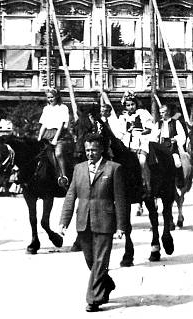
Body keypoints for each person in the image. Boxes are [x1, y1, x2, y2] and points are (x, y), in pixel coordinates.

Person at [59, 133, 126, 313]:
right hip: (83, 221)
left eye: (94, 150)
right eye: (87, 150)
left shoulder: (114, 168)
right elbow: (71, 195)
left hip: (105, 221)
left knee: (99, 260)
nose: (90, 153)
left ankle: (93, 299)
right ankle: (107, 283)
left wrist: (121, 226)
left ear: (101, 150)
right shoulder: (78, 169)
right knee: (91, 261)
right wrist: (64, 221)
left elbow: (120, 199)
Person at [37, 87, 72, 188]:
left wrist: (56, 138)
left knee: (58, 153)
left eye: (52, 97)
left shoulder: (63, 107)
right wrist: (39, 136)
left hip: (59, 134)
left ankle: (63, 176)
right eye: (48, 97)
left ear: (57, 97)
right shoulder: (46, 109)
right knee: (41, 154)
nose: (50, 99)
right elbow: (43, 124)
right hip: (47, 134)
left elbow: (62, 125)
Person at [148, 103, 187, 190]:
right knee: (154, 164)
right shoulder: (158, 124)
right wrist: (156, 136)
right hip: (161, 146)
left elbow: (182, 135)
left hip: (172, 146)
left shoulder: (175, 122)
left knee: (177, 163)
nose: (161, 114)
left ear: (168, 112)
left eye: (163, 112)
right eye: (160, 112)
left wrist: (176, 139)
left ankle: (179, 183)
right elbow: (152, 137)